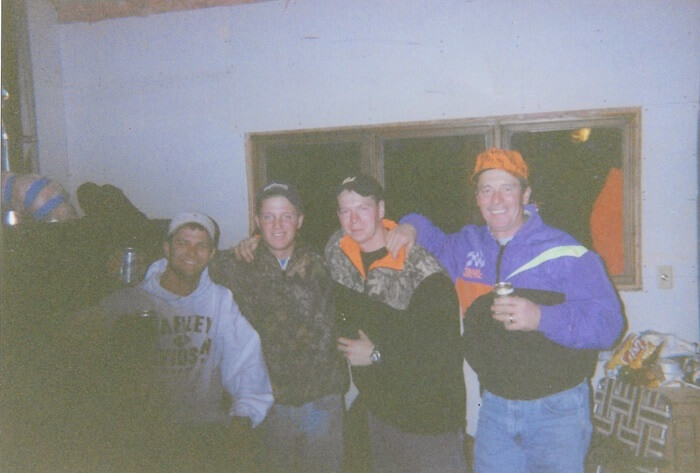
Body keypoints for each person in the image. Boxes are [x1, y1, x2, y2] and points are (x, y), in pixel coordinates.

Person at [386, 148, 625, 473]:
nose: (496, 200)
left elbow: (609, 324)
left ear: (525, 195)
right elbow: (432, 241)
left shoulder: (565, 252)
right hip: (495, 406)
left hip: (557, 411)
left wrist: (541, 317)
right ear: (477, 198)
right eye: (486, 190)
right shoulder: (467, 246)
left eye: (507, 188)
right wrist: (410, 226)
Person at [99, 211, 273, 472]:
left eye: (201, 246)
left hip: (203, 430)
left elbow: (247, 362)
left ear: (211, 254)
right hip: (143, 433)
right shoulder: (132, 300)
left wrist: (242, 419)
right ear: (167, 248)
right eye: (183, 243)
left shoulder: (220, 300)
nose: (192, 252)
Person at [327, 174, 467, 473]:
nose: (353, 220)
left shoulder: (423, 272)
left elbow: (443, 356)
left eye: (362, 208)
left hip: (429, 423)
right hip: (379, 413)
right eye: (345, 211)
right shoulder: (338, 255)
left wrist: (377, 354)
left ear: (381, 209)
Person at [208, 182, 347, 473]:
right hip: (269, 403)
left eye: (286, 216)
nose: (278, 225)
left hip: (323, 401)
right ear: (257, 222)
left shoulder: (325, 263)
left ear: (300, 220)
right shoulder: (235, 265)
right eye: (269, 216)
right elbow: (188, 264)